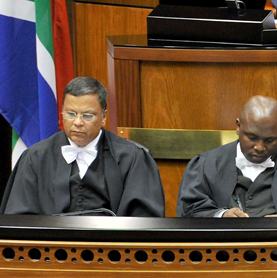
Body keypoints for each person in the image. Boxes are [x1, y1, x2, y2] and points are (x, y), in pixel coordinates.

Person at [1, 77, 165, 217]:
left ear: (103, 117)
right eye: (71, 114)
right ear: (62, 113)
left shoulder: (133, 158)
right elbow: (19, 220)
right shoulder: (35, 158)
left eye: (87, 115)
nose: (77, 122)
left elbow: (145, 222)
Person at [176, 95, 277, 224]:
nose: (260, 147)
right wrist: (221, 215)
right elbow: (188, 213)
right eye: (252, 138)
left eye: (270, 140)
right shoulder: (206, 165)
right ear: (238, 126)